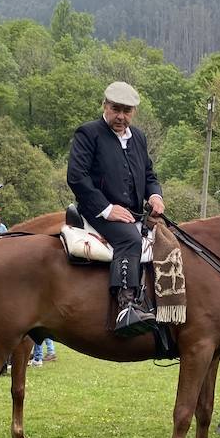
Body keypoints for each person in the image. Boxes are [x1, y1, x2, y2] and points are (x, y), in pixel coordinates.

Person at [67, 81, 166, 336]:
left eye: (127, 110)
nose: (121, 116)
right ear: (105, 106)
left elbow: (148, 174)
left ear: (133, 112)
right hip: (97, 211)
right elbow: (77, 177)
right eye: (115, 109)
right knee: (129, 239)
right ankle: (127, 307)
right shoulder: (88, 133)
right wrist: (107, 209)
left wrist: (155, 195)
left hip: (133, 212)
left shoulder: (139, 138)